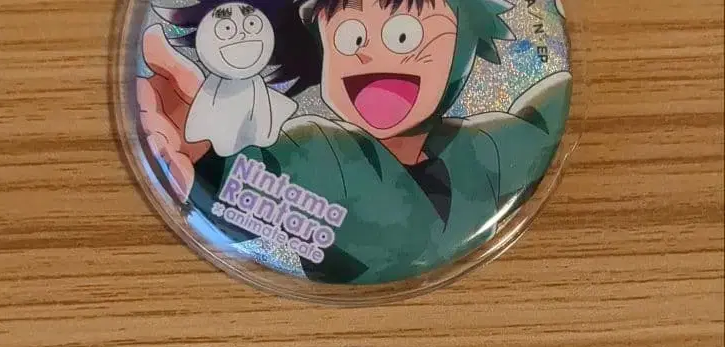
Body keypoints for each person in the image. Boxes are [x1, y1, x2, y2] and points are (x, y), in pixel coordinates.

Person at [139, 0, 571, 284]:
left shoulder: (477, 149)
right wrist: (207, 157)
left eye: (404, 35)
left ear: (464, 39)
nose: (371, 54)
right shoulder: (321, 152)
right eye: (350, 38)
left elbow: (538, 124)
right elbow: (265, 173)